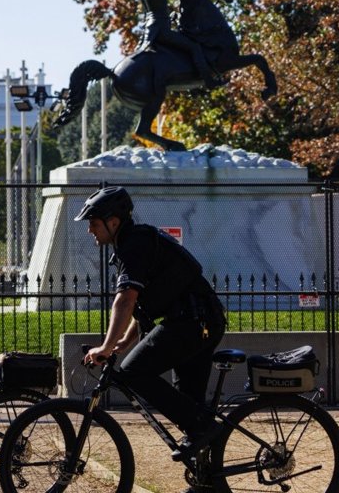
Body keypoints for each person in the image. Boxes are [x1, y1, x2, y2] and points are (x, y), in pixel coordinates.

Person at [77, 187, 226, 490]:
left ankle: (203, 427)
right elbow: (143, 306)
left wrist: (106, 346)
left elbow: (126, 299)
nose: (90, 230)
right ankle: (208, 483)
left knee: (133, 373)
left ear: (113, 221)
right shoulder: (132, 243)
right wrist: (123, 343)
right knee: (191, 409)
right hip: (196, 321)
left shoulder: (135, 245)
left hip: (193, 323)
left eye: (94, 222)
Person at [139, 0, 218, 88]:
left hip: (150, 28)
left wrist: (169, 16)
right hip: (161, 30)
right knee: (194, 47)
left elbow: (154, 10)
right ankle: (208, 80)